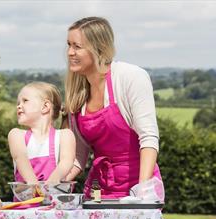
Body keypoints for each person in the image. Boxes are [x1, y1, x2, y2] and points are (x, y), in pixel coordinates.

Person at [63, 17, 163, 199]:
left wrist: (141, 194)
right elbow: (79, 155)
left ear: (98, 48)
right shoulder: (76, 94)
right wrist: (54, 184)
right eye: (68, 45)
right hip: (98, 191)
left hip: (137, 186)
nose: (70, 52)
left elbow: (148, 138)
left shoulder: (131, 77)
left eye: (77, 46)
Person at [8, 82, 75, 185]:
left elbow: (67, 161)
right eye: (18, 103)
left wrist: (54, 180)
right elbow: (20, 157)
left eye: (25, 101)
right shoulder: (16, 135)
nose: (18, 106)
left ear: (45, 107)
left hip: (55, 200)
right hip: (26, 200)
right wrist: (34, 184)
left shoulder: (65, 136)